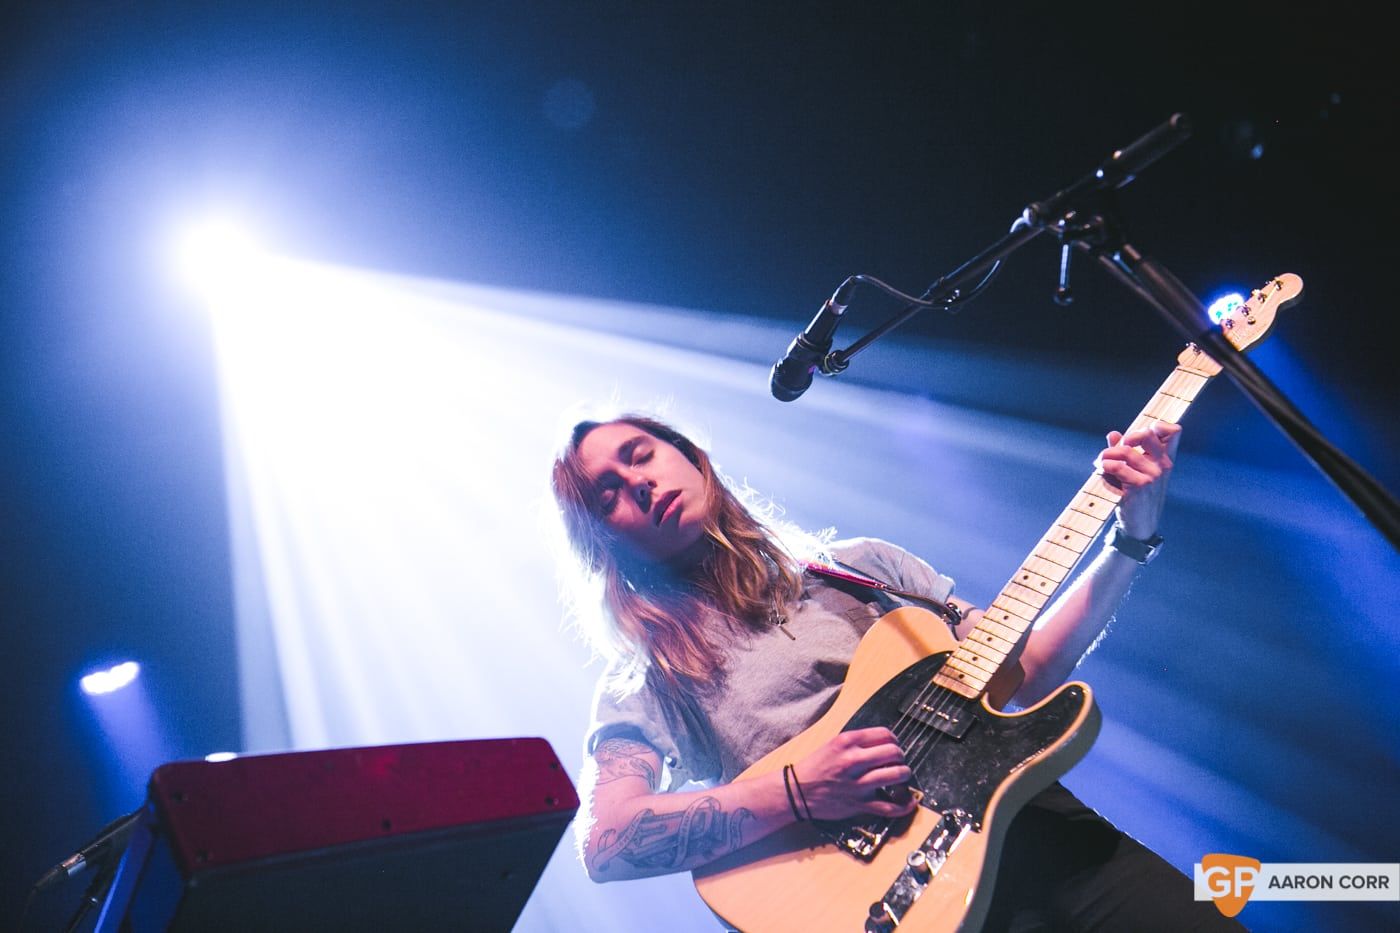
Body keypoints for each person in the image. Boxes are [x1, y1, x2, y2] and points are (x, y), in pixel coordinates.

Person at [550, 411, 1245, 931]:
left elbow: (1025, 668)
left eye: (642, 455)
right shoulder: (649, 679)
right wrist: (799, 792)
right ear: (602, 536)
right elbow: (608, 839)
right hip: (901, 904)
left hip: (1059, 844)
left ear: (690, 454)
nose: (639, 484)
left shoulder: (862, 567)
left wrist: (1127, 537)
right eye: (607, 493)